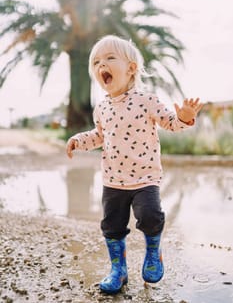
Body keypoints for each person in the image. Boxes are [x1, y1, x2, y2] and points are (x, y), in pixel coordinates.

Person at [66, 35, 203, 294]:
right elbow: (98, 135)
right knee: (112, 227)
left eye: (109, 58)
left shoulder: (146, 100)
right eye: (95, 62)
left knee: (151, 217)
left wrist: (184, 117)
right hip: (113, 180)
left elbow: (170, 123)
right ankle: (118, 270)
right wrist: (78, 140)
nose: (100, 65)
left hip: (145, 178)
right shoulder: (101, 107)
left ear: (131, 69)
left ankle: (154, 252)